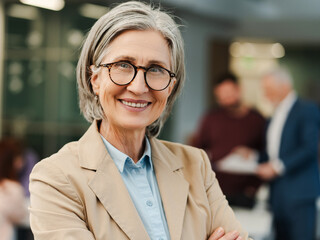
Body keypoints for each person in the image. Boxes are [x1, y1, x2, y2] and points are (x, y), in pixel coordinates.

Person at [29, 2, 252, 240]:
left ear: (170, 87)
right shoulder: (56, 178)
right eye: (123, 65)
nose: (138, 87)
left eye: (156, 69)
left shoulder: (196, 165)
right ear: (94, 79)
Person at [256, 67, 320, 240]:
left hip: (300, 195)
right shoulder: (273, 116)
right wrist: (254, 157)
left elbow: (310, 148)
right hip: (278, 197)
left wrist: (276, 168)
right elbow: (273, 152)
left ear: (284, 86)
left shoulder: (307, 110)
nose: (266, 95)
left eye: (269, 90)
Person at [190, 73, 265, 208]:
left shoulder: (257, 120)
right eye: (222, 96)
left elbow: (266, 155)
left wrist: (254, 188)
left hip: (246, 193)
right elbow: (197, 151)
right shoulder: (211, 118)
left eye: (229, 94)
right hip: (215, 191)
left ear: (239, 90)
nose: (227, 99)